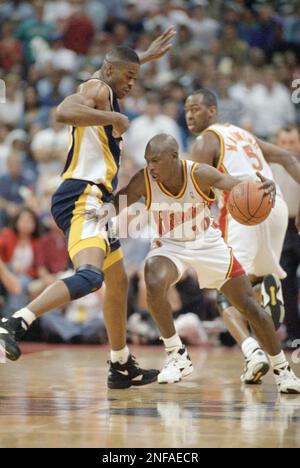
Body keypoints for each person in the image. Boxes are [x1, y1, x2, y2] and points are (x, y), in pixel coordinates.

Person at [0, 28, 176, 390]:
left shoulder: (108, 84)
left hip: (96, 201)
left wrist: (144, 56)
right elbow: (64, 110)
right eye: (129, 77)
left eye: (136, 78)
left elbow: (118, 64)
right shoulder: (99, 88)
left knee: (117, 280)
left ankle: (120, 363)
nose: (132, 83)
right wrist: (113, 120)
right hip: (82, 195)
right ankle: (13, 323)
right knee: (91, 277)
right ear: (110, 71)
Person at [84, 133, 300, 394]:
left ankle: (283, 371)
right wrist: (97, 215)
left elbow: (234, 183)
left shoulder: (199, 174)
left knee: (249, 306)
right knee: (152, 277)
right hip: (169, 244)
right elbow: (122, 199)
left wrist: (263, 187)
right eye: (147, 161)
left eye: (155, 160)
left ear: (174, 157)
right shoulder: (144, 179)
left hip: (206, 243)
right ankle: (177, 354)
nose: (151, 166)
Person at [184, 88, 300, 384]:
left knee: (226, 293)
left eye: (196, 108)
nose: (189, 114)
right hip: (275, 208)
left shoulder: (203, 141)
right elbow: (287, 156)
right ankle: (266, 281)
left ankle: (252, 352)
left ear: (212, 111)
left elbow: (194, 198)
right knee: (250, 286)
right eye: (186, 109)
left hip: (241, 213)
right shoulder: (242, 134)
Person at [271, 127, 300, 346]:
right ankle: (293, 335)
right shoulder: (270, 168)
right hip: (281, 228)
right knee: (286, 283)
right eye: (284, 142)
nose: (288, 146)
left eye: (292, 142)